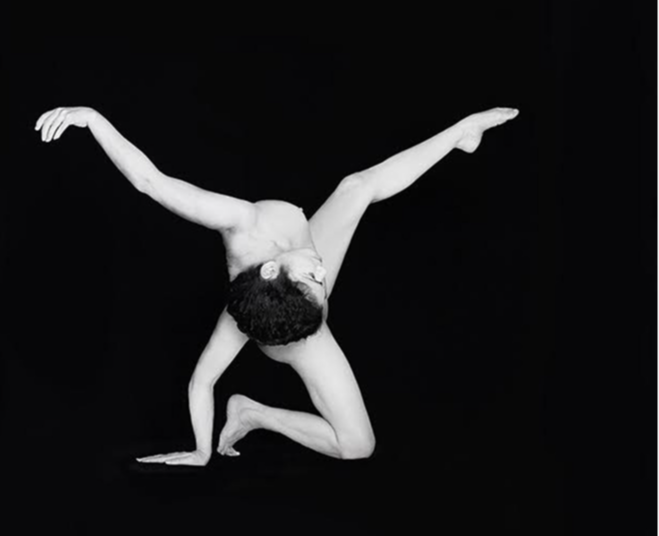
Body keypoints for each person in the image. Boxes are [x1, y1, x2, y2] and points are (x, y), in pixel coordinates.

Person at [35, 104, 519, 465]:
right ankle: (253, 413)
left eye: (313, 278)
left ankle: (461, 133)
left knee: (356, 188)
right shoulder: (272, 325)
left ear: (271, 269)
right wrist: (202, 451)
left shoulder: (241, 224)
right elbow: (204, 380)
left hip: (291, 301)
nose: (323, 273)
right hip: (297, 330)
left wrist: (91, 119)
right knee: (358, 446)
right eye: (319, 282)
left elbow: (150, 182)